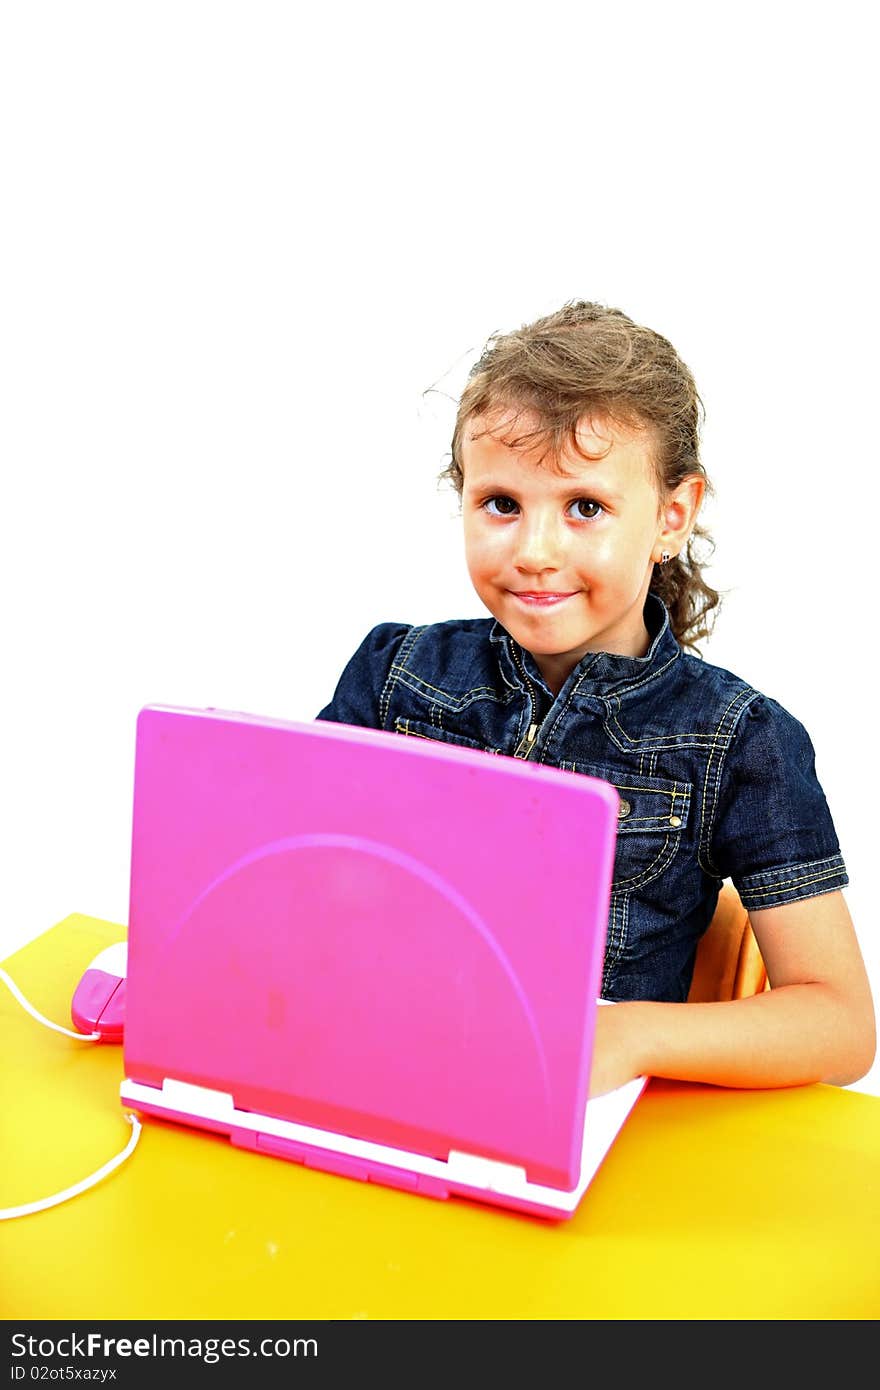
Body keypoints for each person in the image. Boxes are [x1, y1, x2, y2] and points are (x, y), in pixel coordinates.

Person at [316, 300, 876, 1097]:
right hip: (377, 1065)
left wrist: (628, 1034)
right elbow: (301, 882)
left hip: (583, 1112)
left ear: (671, 517)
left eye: (586, 507)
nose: (536, 552)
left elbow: (840, 1025)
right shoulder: (394, 671)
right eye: (501, 504)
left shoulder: (741, 740)